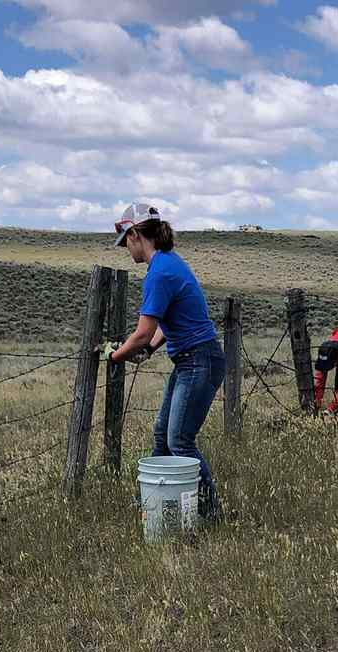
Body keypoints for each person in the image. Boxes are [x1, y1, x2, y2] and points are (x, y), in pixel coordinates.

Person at [104, 203, 225, 523]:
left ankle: (211, 514)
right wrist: (151, 349)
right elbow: (170, 323)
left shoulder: (159, 272)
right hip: (194, 360)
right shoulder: (170, 263)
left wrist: (115, 355)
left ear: (134, 234)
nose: (126, 250)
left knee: (180, 441)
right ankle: (153, 504)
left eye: (125, 242)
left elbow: (143, 333)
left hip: (198, 361)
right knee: (163, 435)